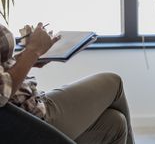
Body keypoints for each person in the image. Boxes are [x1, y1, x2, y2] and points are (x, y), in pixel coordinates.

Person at [0, 22, 135, 144]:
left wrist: (27, 58)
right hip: (27, 121)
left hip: (30, 105)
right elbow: (2, 92)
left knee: (115, 123)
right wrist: (32, 51)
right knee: (113, 83)